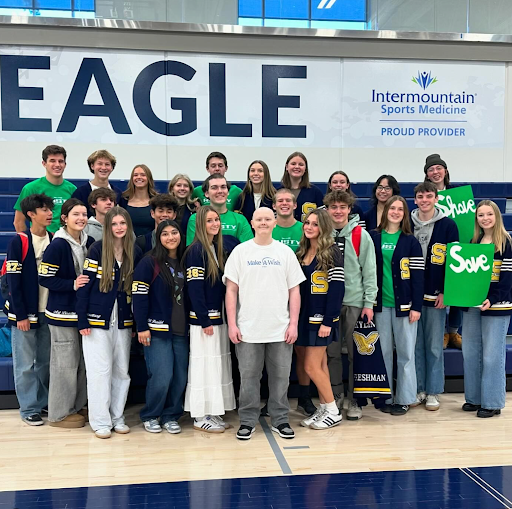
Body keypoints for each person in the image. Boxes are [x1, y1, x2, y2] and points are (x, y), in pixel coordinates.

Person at [224, 207, 306, 441]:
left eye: (267, 219)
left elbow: (295, 291)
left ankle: (280, 419)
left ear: (274, 222)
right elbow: (231, 290)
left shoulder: (285, 253)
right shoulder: (241, 252)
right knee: (248, 377)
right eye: (259, 219)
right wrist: (232, 324)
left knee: (281, 377)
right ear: (252, 222)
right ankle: (248, 421)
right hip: (248, 329)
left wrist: (293, 324)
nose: (263, 222)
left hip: (280, 328)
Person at [77, 207, 141, 439]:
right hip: (96, 322)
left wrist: (135, 323)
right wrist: (82, 319)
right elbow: (84, 286)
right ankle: (101, 421)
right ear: (108, 227)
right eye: (114, 224)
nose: (119, 227)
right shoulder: (96, 249)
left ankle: (117, 417)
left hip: (123, 322)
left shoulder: (134, 251)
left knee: (121, 371)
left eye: (122, 223)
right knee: (99, 371)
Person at [38, 198, 94, 428]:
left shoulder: (87, 241)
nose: (81, 218)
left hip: (80, 313)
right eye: (75, 214)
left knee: (80, 363)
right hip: (62, 315)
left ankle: (77, 404)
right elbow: (44, 278)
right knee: (64, 365)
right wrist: (72, 284)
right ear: (64, 218)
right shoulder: (58, 245)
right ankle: (59, 413)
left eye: (84, 214)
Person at [324, 190, 378, 420]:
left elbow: (370, 271)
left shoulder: (360, 235)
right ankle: (335, 395)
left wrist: (368, 303)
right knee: (332, 354)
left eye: (342, 207)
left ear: (349, 209)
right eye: (333, 207)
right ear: (327, 209)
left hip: (354, 302)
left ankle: (354, 399)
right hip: (328, 304)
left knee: (356, 353)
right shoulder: (321, 233)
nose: (338, 211)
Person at [370, 196, 424, 416]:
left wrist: (417, 307)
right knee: (382, 353)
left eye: (400, 209)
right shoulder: (373, 237)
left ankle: (405, 398)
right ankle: (386, 396)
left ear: (405, 214)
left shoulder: (410, 241)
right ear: (386, 211)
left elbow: (418, 277)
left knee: (406, 354)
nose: (395, 212)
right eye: (392, 208)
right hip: (380, 305)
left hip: (405, 305)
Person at [133, 219, 188, 434]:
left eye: (174, 232)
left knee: (180, 376)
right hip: (156, 331)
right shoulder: (149, 262)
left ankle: (171, 415)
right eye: (165, 234)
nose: (170, 237)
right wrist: (142, 326)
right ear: (158, 237)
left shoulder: (185, 261)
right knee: (162, 375)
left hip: (182, 331)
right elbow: (139, 296)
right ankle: (151, 414)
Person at [184, 206, 235, 433]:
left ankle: (212, 410)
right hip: (204, 321)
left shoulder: (217, 248)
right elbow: (194, 289)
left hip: (219, 317)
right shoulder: (195, 250)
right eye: (209, 221)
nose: (215, 224)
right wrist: (204, 320)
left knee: (215, 364)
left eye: (217, 220)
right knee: (202, 364)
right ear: (200, 225)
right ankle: (199, 415)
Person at [4, 194, 54, 426]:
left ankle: (42, 402)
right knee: (25, 364)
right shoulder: (19, 241)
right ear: (31, 214)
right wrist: (21, 314)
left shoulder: (54, 239)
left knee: (45, 362)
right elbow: (13, 280)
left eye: (50, 209)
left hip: (48, 312)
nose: (49, 213)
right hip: (24, 313)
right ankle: (28, 408)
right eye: (43, 209)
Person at [461, 200, 512, 418]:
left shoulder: (506, 242)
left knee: (492, 355)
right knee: (470, 352)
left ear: (496, 216)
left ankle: (492, 402)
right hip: (473, 305)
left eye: (489, 214)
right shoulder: (473, 241)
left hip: (497, 306)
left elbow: (508, 279)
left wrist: (492, 298)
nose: (485, 218)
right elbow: (464, 275)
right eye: (480, 215)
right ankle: (474, 398)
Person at [411, 182, 459, 411]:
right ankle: (419, 388)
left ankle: (433, 391)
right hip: (412, 296)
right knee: (415, 346)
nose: (424, 200)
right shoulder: (406, 223)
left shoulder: (448, 225)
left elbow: (454, 262)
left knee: (433, 346)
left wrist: (446, 291)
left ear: (436, 198)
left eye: (429, 196)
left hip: (436, 296)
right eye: (420, 196)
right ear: (415, 199)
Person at [295, 209, 344, 429]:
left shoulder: (331, 251)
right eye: (307, 223)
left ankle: (333, 411)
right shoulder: (301, 252)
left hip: (320, 319)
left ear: (323, 227)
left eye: (315, 224)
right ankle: (324, 407)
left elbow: (337, 289)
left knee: (311, 366)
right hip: (304, 317)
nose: (309, 227)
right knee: (320, 365)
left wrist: (328, 320)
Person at [423, 154, 462, 349]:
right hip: (436, 247)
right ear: (427, 174)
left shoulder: (458, 194)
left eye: (439, 168)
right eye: (431, 169)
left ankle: (453, 332)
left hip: (458, 245)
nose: (435, 172)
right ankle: (442, 334)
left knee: (455, 288)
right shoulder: (425, 195)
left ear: (445, 171)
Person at [14, 145, 76, 234]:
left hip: (66, 242)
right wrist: (28, 243)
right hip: (40, 243)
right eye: (52, 161)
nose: (57, 165)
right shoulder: (30, 188)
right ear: (44, 163)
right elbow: (19, 222)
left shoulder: (72, 189)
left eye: (61, 161)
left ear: (65, 164)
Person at [186, 174, 253, 250]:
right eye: (214, 188)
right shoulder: (196, 218)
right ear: (206, 193)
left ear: (228, 192)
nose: (220, 191)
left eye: (223, 187)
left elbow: (248, 250)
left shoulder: (240, 220)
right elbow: (193, 250)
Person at [71, 150, 122, 218]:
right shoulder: (80, 193)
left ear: (112, 168)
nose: (103, 168)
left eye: (107, 164)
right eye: (100, 164)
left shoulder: (118, 193)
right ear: (92, 166)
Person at [279, 152, 324, 222]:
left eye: (301, 164)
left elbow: (323, 219)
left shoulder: (315, 193)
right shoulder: (277, 192)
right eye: (293, 164)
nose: (297, 167)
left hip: (309, 232)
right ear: (287, 167)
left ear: (305, 168)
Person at [120, 164, 158, 237]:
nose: (139, 177)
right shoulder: (123, 200)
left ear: (149, 178)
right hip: (128, 244)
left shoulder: (157, 201)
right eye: (136, 175)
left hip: (151, 245)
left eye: (143, 175)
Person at [235, 160, 276, 224]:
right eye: (252, 170)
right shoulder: (242, 197)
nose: (256, 173)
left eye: (260, 171)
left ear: (266, 174)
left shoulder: (274, 196)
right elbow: (239, 222)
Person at [271, 188, 303, 253]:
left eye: (288, 200)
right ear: (274, 206)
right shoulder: (267, 229)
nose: (284, 203)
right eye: (280, 201)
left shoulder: (304, 229)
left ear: (295, 205)